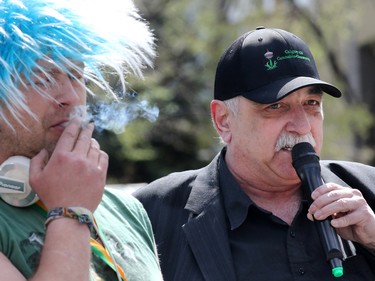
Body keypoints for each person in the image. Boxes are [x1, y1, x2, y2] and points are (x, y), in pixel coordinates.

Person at [133, 26, 375, 281]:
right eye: (276, 106)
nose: (303, 126)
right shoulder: (151, 214)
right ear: (223, 120)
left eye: (311, 103)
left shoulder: (368, 190)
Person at [0, 0, 163, 280]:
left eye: (76, 75)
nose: (72, 98)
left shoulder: (128, 210)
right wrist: (70, 210)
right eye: (42, 79)